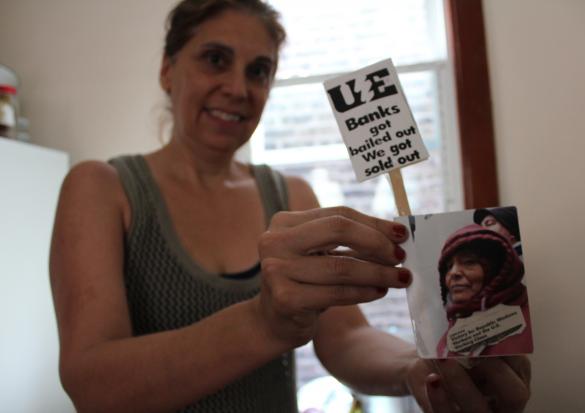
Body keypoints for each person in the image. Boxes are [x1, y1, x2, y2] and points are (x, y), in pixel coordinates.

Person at [49, 1, 531, 412]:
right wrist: (263, 322)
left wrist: (417, 368)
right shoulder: (103, 188)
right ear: (167, 69)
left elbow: (344, 339)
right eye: (215, 59)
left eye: (258, 71)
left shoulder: (292, 197)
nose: (238, 88)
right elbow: (92, 383)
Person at [436, 224, 533, 358]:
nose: (453, 273)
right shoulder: (455, 327)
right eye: (448, 267)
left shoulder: (530, 322)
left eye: (469, 262)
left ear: (495, 270)